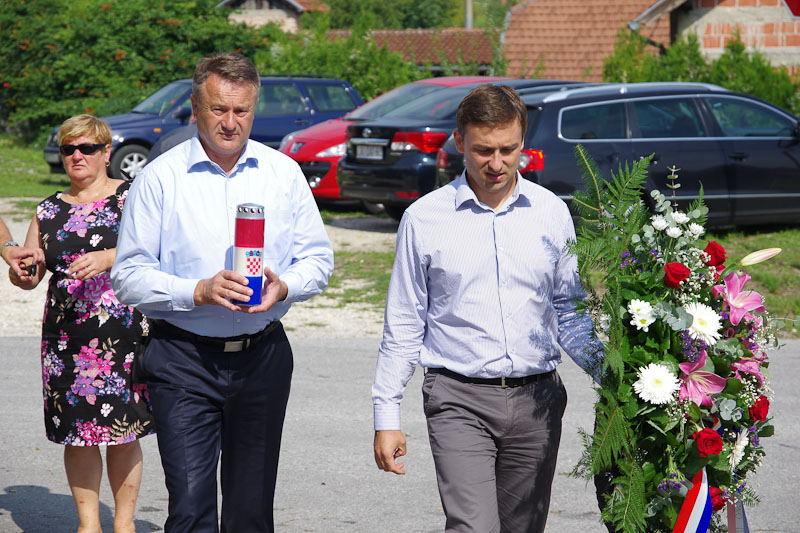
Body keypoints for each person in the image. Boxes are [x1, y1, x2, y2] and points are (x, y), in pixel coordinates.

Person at [110, 53, 333, 533]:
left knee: (250, 513)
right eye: (218, 109)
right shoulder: (160, 177)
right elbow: (127, 276)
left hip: (262, 358)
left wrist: (285, 286)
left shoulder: (283, 173)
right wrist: (198, 290)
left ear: (254, 109)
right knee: (190, 510)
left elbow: (318, 260)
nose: (230, 123)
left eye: (241, 110)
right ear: (195, 107)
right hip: (183, 359)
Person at [372, 84, 603, 532]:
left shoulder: (551, 212)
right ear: (459, 141)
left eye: (508, 149)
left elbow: (570, 311)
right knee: (473, 527)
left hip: (537, 402)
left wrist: (616, 377)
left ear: (522, 142)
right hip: (457, 400)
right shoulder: (424, 219)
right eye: (483, 150)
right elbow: (403, 325)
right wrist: (387, 416)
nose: (496, 163)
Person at [8, 114, 155, 533]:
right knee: (77, 434)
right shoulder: (48, 209)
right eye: (68, 148)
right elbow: (31, 276)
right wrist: (23, 271)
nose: (77, 155)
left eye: (87, 148)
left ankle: (124, 523)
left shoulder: (132, 197)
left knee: (123, 431)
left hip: (123, 335)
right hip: (66, 340)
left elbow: (159, 247)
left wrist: (109, 256)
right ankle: (88, 525)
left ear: (107, 152)